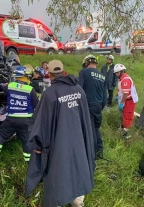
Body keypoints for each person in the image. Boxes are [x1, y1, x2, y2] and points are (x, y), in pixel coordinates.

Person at [25, 60, 96, 207]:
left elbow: (40, 121)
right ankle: (77, 201)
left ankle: (58, 201)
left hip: (59, 142)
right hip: (79, 141)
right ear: (63, 73)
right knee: (78, 167)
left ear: (49, 75)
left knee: (58, 170)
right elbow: (85, 119)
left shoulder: (49, 94)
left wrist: (38, 144)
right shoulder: (79, 90)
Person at [0, 66, 39, 163]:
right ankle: (29, 163)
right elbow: (36, 105)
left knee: (1, 134)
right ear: (25, 77)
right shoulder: (30, 89)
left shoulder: (10, 86)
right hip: (26, 121)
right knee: (27, 141)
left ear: (15, 76)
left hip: (11, 120)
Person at [78, 55, 107, 159]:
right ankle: (100, 152)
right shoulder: (103, 76)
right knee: (96, 129)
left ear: (86, 63)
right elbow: (105, 97)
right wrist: (100, 106)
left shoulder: (84, 72)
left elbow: (79, 89)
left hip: (87, 105)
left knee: (89, 130)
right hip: (98, 106)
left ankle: (92, 155)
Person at [114, 64, 138, 139]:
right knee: (124, 116)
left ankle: (125, 134)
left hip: (129, 101)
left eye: (117, 73)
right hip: (125, 101)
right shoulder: (121, 79)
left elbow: (126, 93)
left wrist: (121, 103)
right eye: (116, 73)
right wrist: (117, 95)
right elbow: (120, 89)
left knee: (128, 117)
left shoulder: (125, 80)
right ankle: (123, 128)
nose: (116, 74)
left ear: (122, 71)